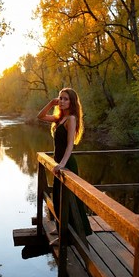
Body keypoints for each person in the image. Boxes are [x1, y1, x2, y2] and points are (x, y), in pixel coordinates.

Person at [37, 87, 92, 241]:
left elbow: (70, 145)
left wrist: (62, 164)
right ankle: (60, 228)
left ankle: (66, 236)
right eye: (60, 98)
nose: (62, 101)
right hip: (59, 163)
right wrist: (51, 103)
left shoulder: (71, 119)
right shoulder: (59, 118)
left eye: (65, 99)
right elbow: (40, 116)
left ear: (72, 102)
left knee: (68, 201)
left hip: (66, 164)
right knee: (58, 199)